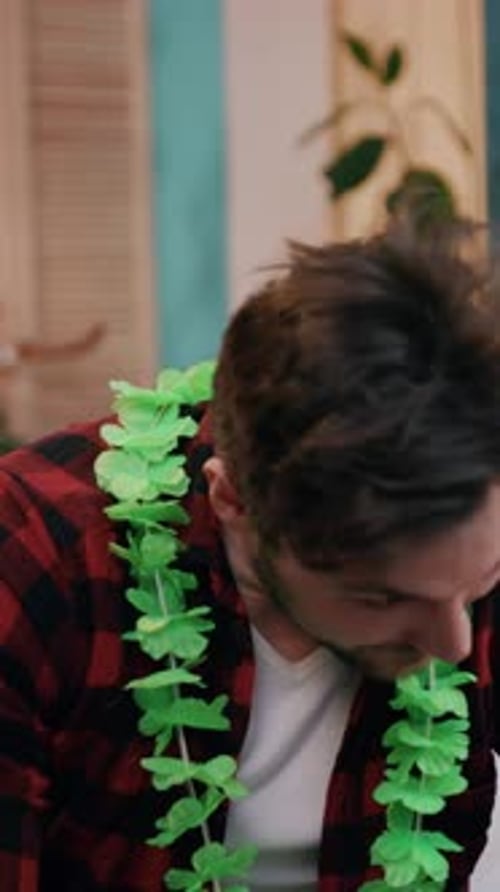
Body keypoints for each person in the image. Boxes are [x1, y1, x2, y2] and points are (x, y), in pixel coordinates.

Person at [0, 218, 500, 892]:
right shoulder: (37, 560)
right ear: (233, 500)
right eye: (382, 596)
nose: (453, 644)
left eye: (478, 586)